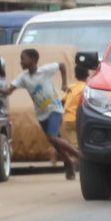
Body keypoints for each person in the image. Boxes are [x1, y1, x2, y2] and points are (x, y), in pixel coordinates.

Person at [12, 50, 77, 179]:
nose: (21, 62)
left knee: (52, 137)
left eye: (23, 59)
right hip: (41, 114)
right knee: (56, 144)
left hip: (54, 108)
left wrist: (64, 83)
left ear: (33, 59)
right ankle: (69, 163)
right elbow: (9, 89)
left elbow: (62, 65)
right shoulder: (23, 77)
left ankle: (78, 155)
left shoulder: (45, 70)